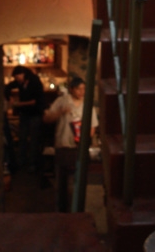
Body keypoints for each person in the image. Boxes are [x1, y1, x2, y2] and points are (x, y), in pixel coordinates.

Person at [43, 76, 98, 212]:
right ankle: (62, 209)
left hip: (78, 147)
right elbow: (47, 118)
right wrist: (61, 112)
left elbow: (92, 126)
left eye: (84, 89)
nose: (82, 92)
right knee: (62, 180)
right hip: (63, 144)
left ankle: (78, 208)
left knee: (79, 179)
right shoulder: (62, 101)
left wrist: (84, 140)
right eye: (79, 89)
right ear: (72, 89)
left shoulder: (87, 105)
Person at [4, 65, 45, 173]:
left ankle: (32, 163)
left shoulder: (35, 81)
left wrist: (19, 104)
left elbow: (35, 101)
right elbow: (7, 87)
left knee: (34, 139)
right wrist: (9, 98)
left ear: (23, 74)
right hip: (25, 113)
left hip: (35, 113)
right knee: (22, 137)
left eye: (18, 77)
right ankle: (21, 161)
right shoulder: (20, 82)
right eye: (16, 78)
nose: (17, 80)